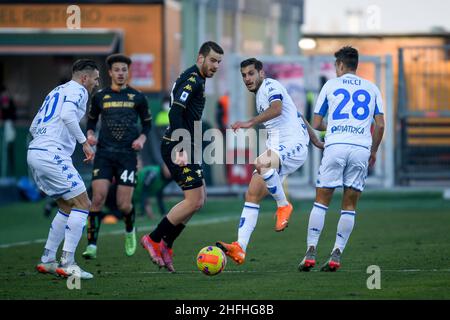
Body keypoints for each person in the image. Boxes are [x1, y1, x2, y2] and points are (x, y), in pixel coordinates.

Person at [216, 58, 324, 265]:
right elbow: (298, 114)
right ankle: (240, 247)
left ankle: (284, 205)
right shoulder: (260, 95)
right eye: (244, 75)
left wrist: (251, 121)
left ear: (261, 73)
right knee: (252, 193)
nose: (247, 78)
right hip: (282, 148)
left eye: (251, 73)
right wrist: (315, 140)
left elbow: (277, 109)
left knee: (261, 162)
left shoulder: (270, 86)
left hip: (293, 145)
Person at [297, 46, 385, 272]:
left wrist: (335, 128)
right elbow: (380, 125)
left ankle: (311, 249)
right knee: (349, 205)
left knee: (321, 201)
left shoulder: (330, 85)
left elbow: (316, 124)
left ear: (340, 65)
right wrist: (373, 151)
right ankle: (337, 252)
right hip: (360, 149)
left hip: (335, 147)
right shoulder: (372, 88)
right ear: (355, 65)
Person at [140, 41, 224, 273]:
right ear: (200, 58)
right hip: (179, 145)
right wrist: (180, 146)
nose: (216, 65)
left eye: (219, 62)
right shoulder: (192, 79)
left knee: (199, 199)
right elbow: (174, 111)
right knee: (193, 200)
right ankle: (154, 239)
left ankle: (167, 243)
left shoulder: (198, 78)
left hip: (187, 144)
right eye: (213, 60)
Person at [28, 59, 99, 279]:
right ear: (84, 78)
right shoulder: (79, 90)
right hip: (52, 154)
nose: (97, 83)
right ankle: (67, 263)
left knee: (67, 206)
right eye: (96, 79)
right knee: (83, 203)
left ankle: (48, 260)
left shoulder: (56, 90)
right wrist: (84, 143)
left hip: (36, 150)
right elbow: (68, 116)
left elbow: (32, 126)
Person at [82, 54, 152, 259]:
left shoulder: (138, 97)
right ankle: (92, 245)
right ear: (110, 72)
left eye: (124, 70)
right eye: (117, 70)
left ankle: (130, 230)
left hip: (127, 156)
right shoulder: (100, 96)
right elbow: (91, 121)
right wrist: (90, 134)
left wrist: (141, 139)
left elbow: (147, 125)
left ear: (128, 72)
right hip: (104, 153)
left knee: (123, 204)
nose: (121, 73)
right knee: (97, 198)